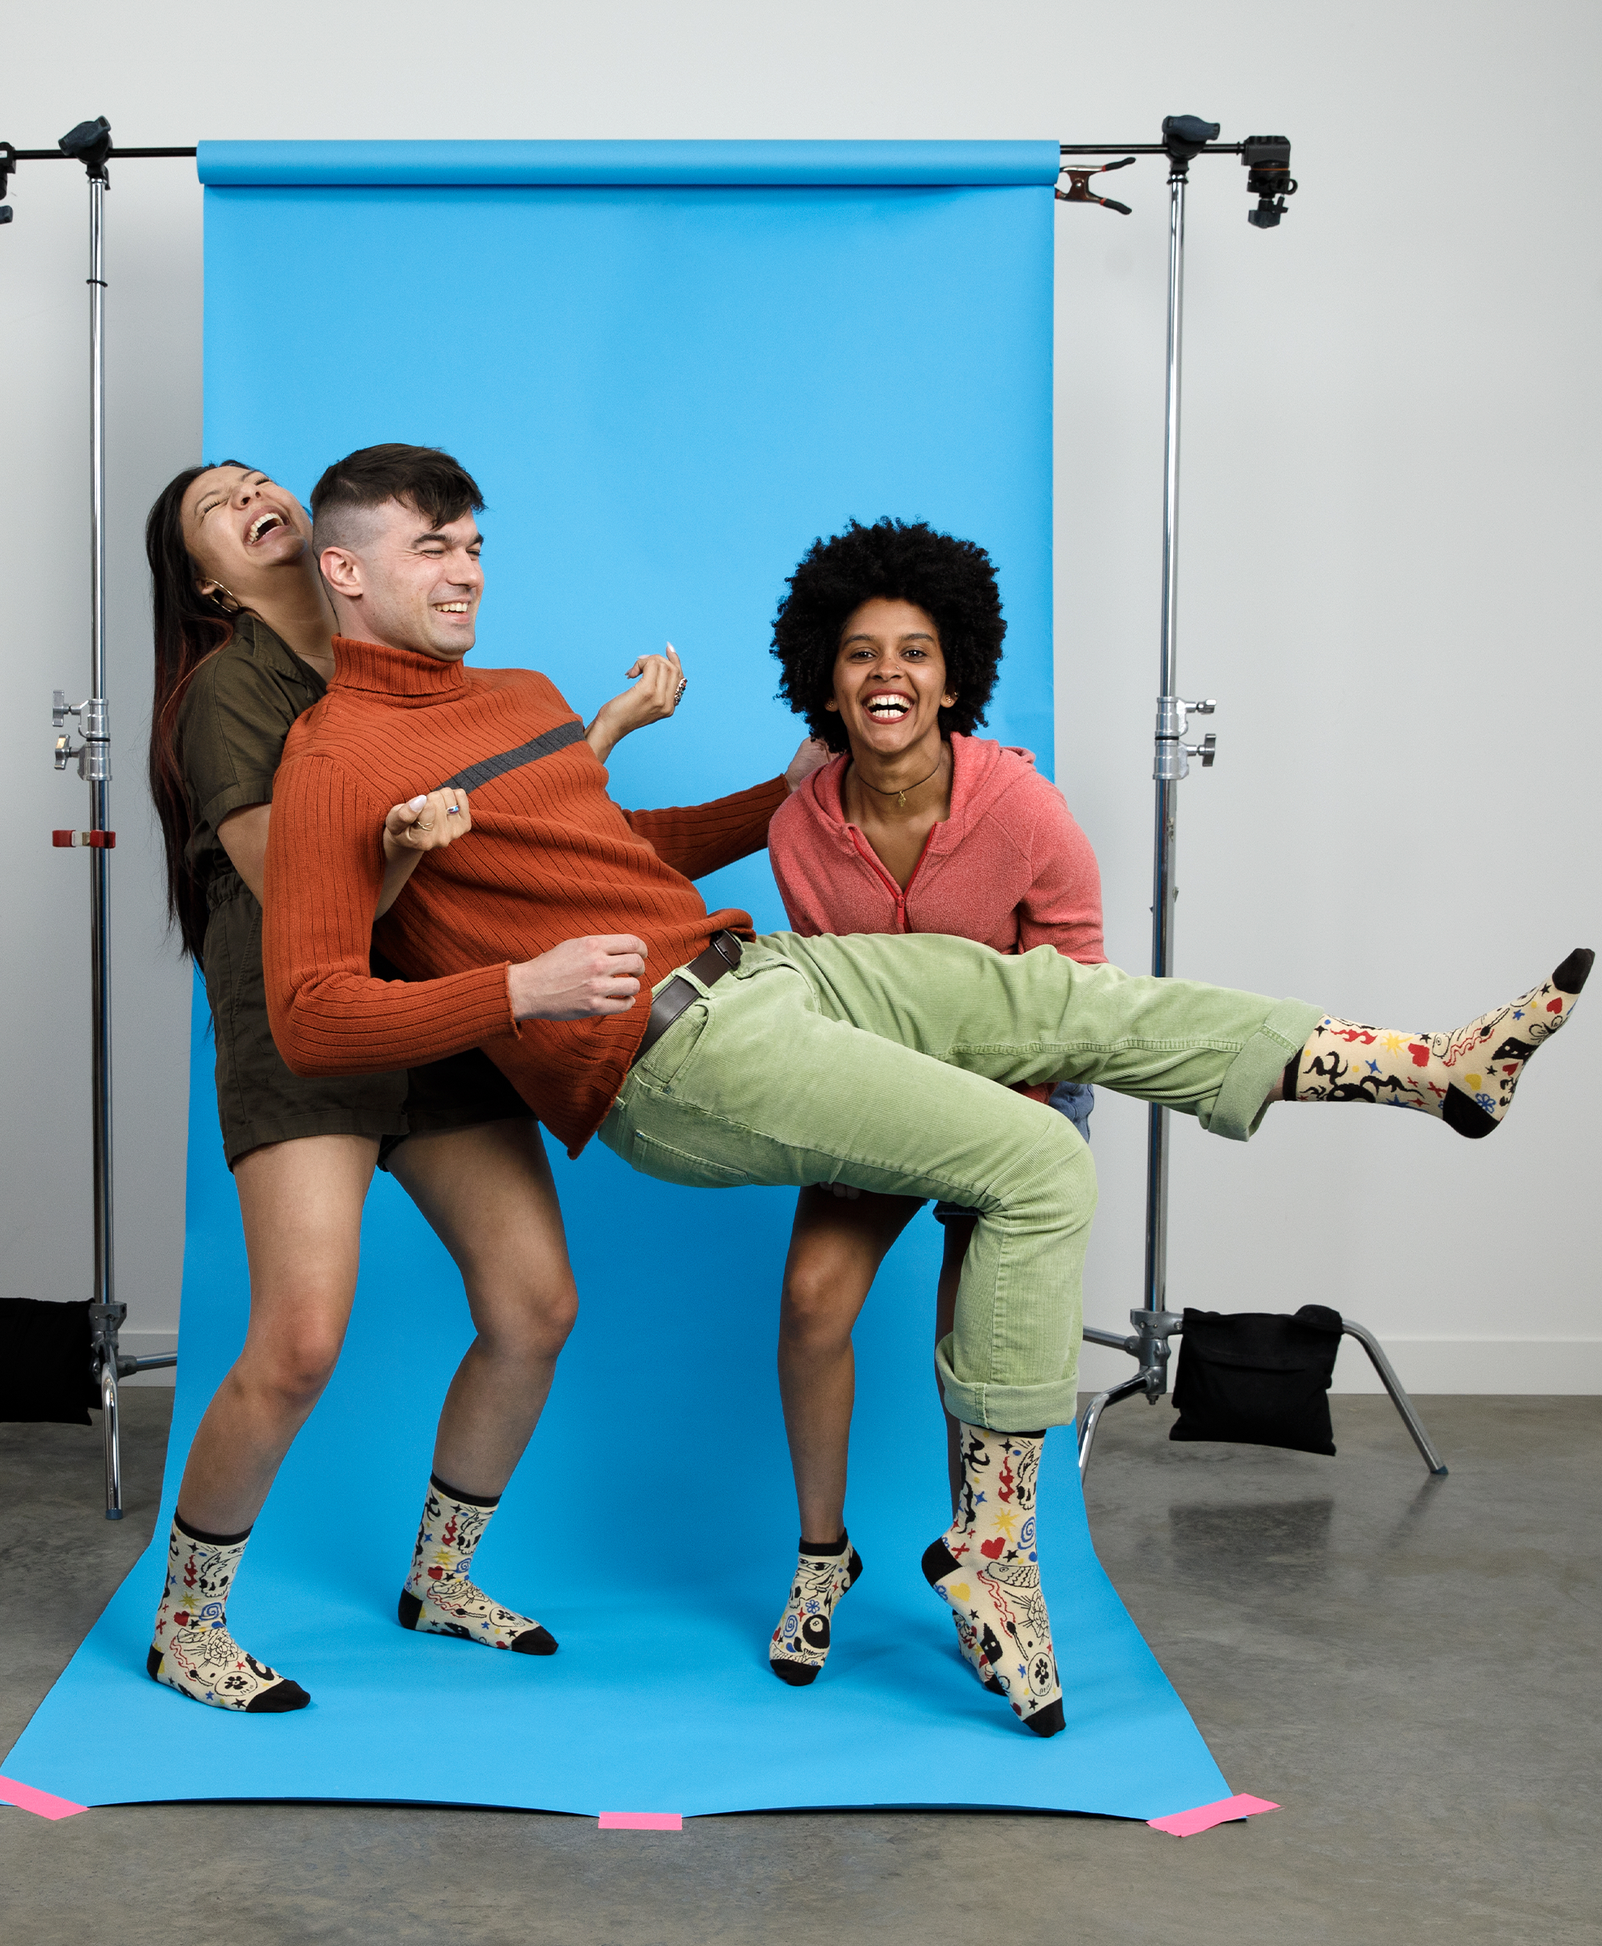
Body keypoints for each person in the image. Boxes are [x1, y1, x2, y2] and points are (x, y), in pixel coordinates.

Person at [263, 441, 1589, 1739]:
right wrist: (517, 991)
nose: (466, 572)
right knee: (1038, 1161)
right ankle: (992, 1548)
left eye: (475, 544)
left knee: (1064, 1002)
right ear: (345, 569)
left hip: (762, 971)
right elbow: (310, 1013)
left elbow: (622, 848)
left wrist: (760, 797)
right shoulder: (333, 759)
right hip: (661, 1055)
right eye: (431, 547)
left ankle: (1431, 1071)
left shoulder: (516, 694)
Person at [140, 455, 696, 1715]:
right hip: (306, 1023)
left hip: (443, 1002)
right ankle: (187, 1623)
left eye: (256, 478)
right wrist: (394, 847)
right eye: (216, 509)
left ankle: (440, 1579)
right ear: (212, 581)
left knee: (534, 1306)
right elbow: (303, 903)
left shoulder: (398, 650)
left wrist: (596, 741)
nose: (250, 497)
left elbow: (508, 823)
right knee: (298, 1339)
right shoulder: (231, 691)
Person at [760, 517, 1106, 1687]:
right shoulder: (798, 826)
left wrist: (995, 1122)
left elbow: (1076, 990)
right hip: (872, 1091)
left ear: (954, 672)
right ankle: (821, 1555)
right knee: (812, 1299)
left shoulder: (1021, 809)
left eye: (913, 650)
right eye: (860, 652)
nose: (887, 673)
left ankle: (990, 1571)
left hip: (1018, 1094)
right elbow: (820, 994)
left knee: (979, 1344)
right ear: (825, 674)